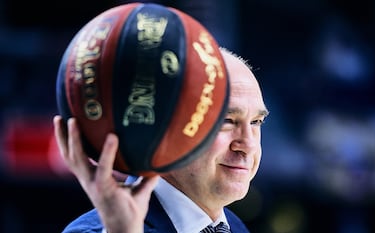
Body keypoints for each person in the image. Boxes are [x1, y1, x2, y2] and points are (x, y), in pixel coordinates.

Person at [53, 48, 269, 233]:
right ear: (164, 128)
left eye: (256, 122)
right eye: (228, 120)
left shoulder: (235, 227)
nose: (249, 145)